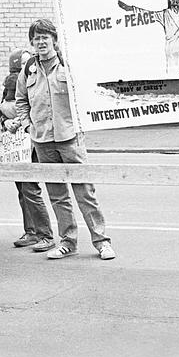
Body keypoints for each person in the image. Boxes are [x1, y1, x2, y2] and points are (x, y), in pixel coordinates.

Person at [15, 18, 115, 260]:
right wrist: (29, 126)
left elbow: (86, 98)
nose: (40, 42)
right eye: (36, 38)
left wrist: (81, 125)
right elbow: (21, 102)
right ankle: (68, 242)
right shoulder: (28, 68)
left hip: (69, 138)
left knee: (85, 192)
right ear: (32, 42)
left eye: (45, 37)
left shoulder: (68, 67)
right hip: (43, 140)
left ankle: (101, 242)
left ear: (54, 40)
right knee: (57, 194)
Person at [0, 48, 53, 249]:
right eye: (22, 64)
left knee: (30, 189)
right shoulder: (16, 82)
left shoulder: (33, 80)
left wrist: (14, 121)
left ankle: (43, 233)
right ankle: (32, 231)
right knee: (24, 189)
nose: (27, 66)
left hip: (30, 140)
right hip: (17, 142)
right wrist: (8, 122)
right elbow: (6, 108)